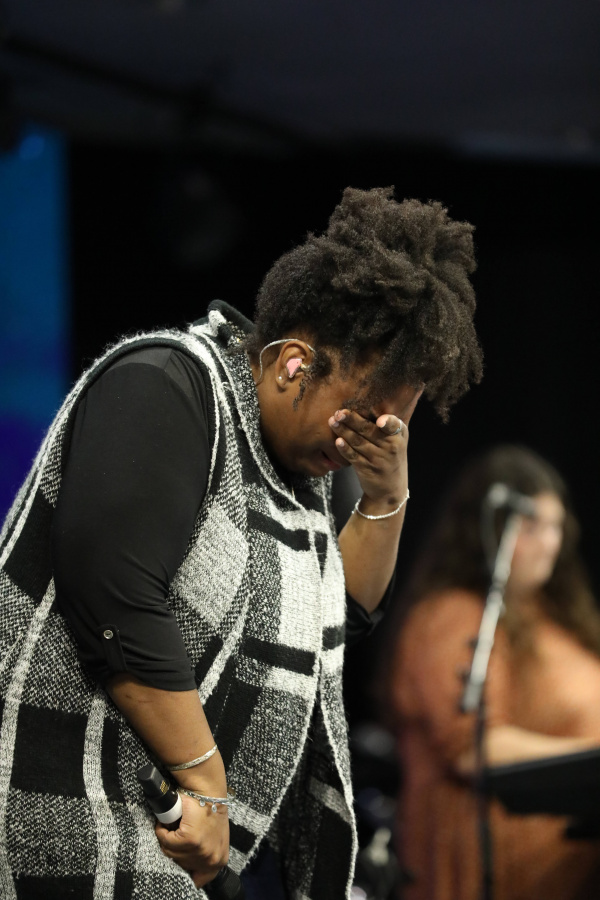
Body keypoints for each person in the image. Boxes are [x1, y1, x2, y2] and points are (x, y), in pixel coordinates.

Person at [0, 187, 482, 900]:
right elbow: (113, 596)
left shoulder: (309, 473)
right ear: (293, 364)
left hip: (169, 840)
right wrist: (206, 780)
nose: (367, 441)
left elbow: (336, 622)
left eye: (390, 427)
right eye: (365, 415)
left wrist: (386, 498)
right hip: (55, 818)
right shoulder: (165, 385)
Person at [387, 444, 600, 900]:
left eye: (556, 526)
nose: (550, 543)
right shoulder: (453, 618)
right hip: (499, 862)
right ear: (486, 530)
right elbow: (472, 747)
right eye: (531, 526)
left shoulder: (552, 615)